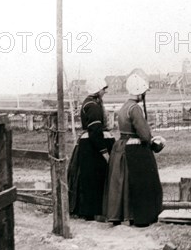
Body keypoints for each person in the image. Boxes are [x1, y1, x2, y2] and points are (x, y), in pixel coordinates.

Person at [103, 73, 166, 227]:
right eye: (144, 92)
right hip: (137, 148)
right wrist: (155, 141)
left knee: (124, 184)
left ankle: (126, 216)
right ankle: (144, 217)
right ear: (140, 92)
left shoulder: (124, 107)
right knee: (145, 183)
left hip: (123, 145)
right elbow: (144, 134)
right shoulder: (135, 108)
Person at [68, 80, 115, 220]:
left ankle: (90, 212)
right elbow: (95, 131)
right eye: (103, 89)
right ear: (97, 90)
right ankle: (92, 213)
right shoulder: (93, 106)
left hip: (89, 145)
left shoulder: (90, 103)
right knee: (94, 180)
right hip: (92, 148)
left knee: (89, 179)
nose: (105, 91)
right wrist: (104, 152)